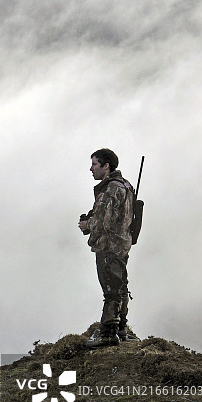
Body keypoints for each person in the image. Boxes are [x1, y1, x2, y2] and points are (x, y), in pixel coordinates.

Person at [78, 148, 139, 347]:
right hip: (122, 243)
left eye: (94, 164)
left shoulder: (111, 188)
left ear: (106, 166)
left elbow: (103, 221)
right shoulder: (126, 185)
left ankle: (108, 333)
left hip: (109, 245)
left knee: (111, 289)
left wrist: (87, 225)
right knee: (120, 286)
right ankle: (121, 328)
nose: (91, 169)